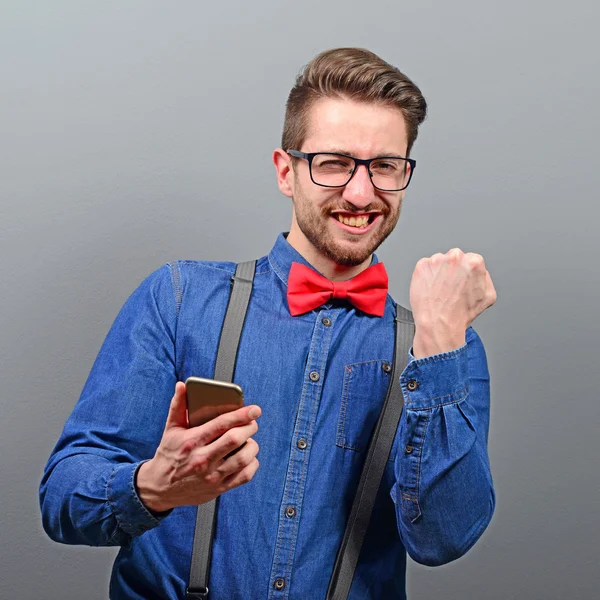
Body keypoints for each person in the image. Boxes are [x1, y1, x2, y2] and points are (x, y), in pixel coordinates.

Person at [40, 47, 497, 599]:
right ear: (287, 171)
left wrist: (442, 346)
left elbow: (442, 540)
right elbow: (62, 501)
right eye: (333, 162)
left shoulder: (442, 349)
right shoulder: (180, 298)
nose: (360, 192)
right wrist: (152, 487)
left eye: (384, 166)